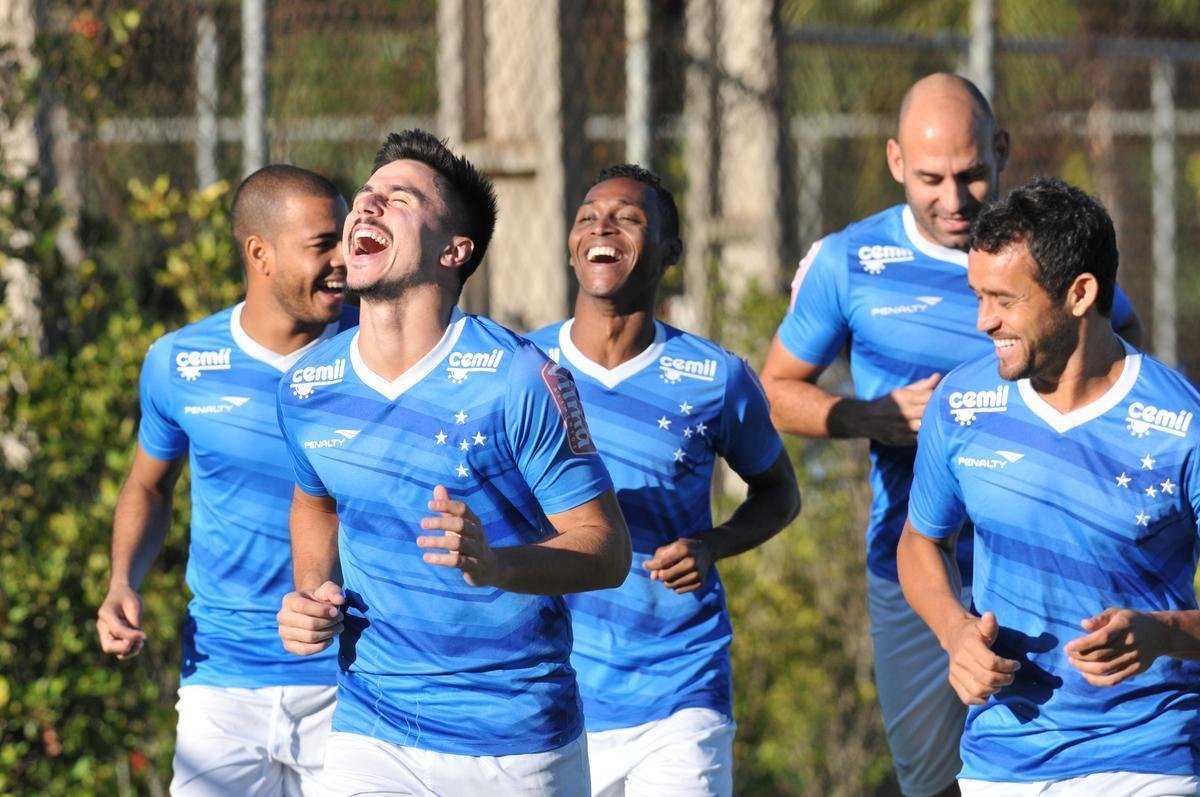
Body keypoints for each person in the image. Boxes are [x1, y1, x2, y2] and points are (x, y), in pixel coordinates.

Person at [759, 73, 1143, 797]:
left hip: (1050, 556)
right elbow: (772, 391)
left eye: (971, 174)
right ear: (896, 160)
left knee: (1074, 758)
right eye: (931, 177)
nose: (954, 198)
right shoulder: (850, 261)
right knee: (933, 779)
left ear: (1001, 151)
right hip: (914, 556)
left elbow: (1123, 331)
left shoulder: (1044, 251)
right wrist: (865, 416)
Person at [273, 129, 632, 797]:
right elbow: (315, 500)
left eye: (399, 198)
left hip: (516, 740)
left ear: (454, 249)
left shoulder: (519, 378)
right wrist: (313, 590)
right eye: (368, 194)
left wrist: (496, 564)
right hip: (371, 726)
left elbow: (607, 550)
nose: (367, 207)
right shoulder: (307, 387)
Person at [897, 176, 1200, 795]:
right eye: (977, 296)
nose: (984, 321)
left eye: (1004, 300)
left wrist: (1164, 633)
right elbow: (919, 541)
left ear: (1080, 293)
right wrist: (955, 632)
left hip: (1145, 757)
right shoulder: (961, 402)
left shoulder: (1183, 425)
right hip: (999, 758)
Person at [526, 164, 801, 796]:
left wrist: (713, 544)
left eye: (628, 218)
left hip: (681, 685)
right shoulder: (524, 370)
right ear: (572, 244)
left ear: (670, 251)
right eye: (588, 216)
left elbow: (780, 493)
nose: (603, 227)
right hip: (553, 686)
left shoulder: (716, 377)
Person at [96, 164, 355, 795]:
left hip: (355, 678)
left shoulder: (377, 355)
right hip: (221, 677)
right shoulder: (179, 362)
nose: (345, 259)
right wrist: (121, 580)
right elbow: (148, 486)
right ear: (259, 254)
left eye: (348, 237)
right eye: (324, 244)